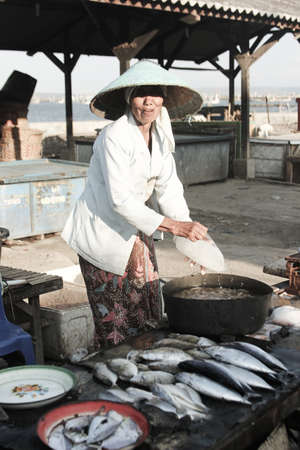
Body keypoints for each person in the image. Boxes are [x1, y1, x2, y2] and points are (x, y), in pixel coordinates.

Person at [62, 60, 208, 349]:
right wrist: (175, 227)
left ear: (163, 98)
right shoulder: (114, 137)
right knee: (115, 321)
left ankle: (142, 371)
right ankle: (114, 376)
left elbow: (169, 189)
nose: (149, 102)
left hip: (137, 228)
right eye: (142, 94)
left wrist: (191, 237)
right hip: (103, 234)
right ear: (130, 99)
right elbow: (120, 200)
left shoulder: (161, 135)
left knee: (147, 313)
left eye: (155, 93)